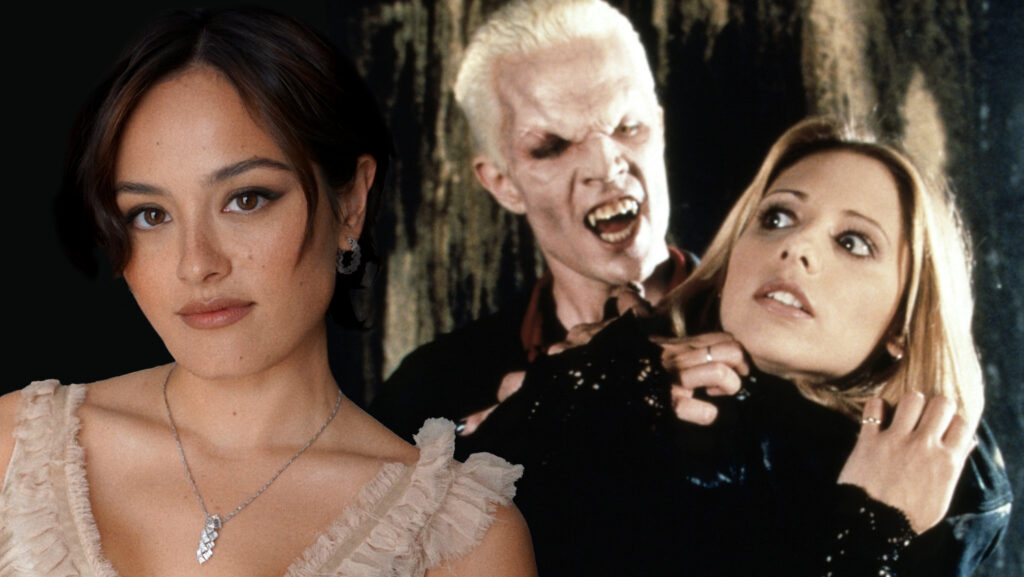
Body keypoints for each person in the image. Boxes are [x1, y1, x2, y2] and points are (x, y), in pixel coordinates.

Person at [0, 7, 536, 576]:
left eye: (246, 199)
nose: (197, 264)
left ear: (350, 203)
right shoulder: (12, 451)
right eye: (151, 214)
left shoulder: (459, 541)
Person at [464, 115, 1012, 575]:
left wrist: (876, 527)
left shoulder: (951, 502)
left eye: (853, 241)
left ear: (903, 326)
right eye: (777, 217)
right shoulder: (615, 386)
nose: (797, 244)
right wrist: (569, 399)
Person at [368, 0, 716, 451]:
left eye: (628, 127)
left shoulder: (774, 337)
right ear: (502, 184)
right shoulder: (431, 391)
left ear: (660, 130)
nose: (605, 165)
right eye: (551, 147)